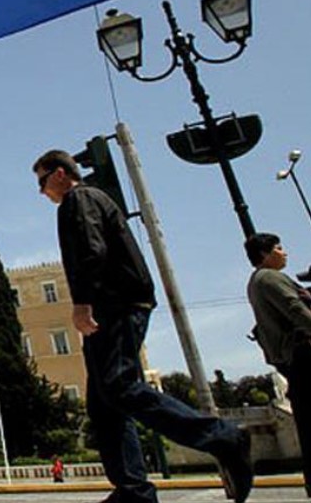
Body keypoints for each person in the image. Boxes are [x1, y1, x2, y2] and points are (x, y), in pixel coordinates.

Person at [33, 150, 252, 503]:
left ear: (60, 174)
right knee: (104, 404)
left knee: (119, 387)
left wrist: (83, 303)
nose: (42, 192)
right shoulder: (92, 199)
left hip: (114, 305)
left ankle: (223, 437)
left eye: (42, 182)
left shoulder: (79, 199)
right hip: (117, 304)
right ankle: (133, 490)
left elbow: (91, 250)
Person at [244, 233, 311, 498]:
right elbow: (295, 309)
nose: (284, 253)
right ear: (264, 253)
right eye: (279, 248)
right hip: (302, 354)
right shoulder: (269, 278)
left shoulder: (258, 281)